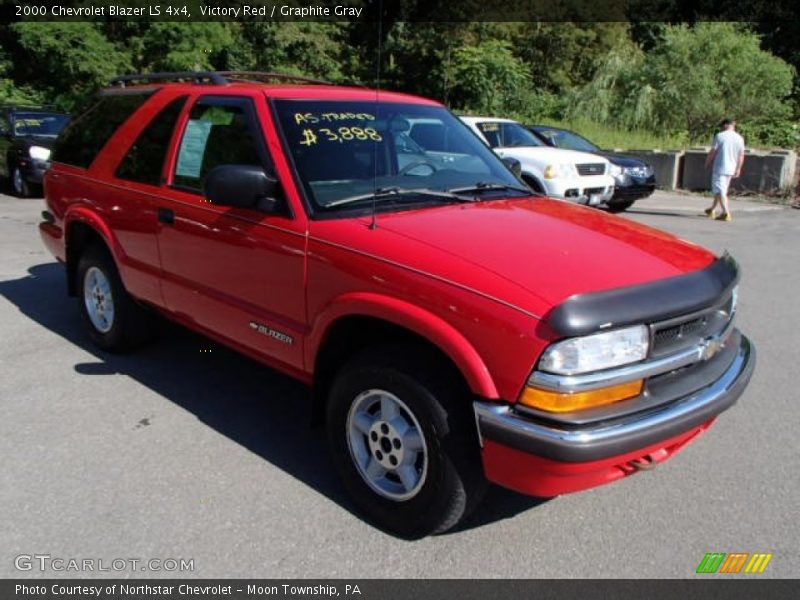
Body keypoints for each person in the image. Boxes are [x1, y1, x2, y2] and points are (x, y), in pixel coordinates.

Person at [704, 118, 745, 222]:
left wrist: (707, 163)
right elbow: (741, 155)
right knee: (721, 189)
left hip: (720, 167)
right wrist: (738, 168)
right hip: (731, 168)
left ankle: (726, 212)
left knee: (720, 191)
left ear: (726, 125)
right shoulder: (739, 138)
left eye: (722, 125)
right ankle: (712, 209)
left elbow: (713, 151)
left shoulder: (720, 136)